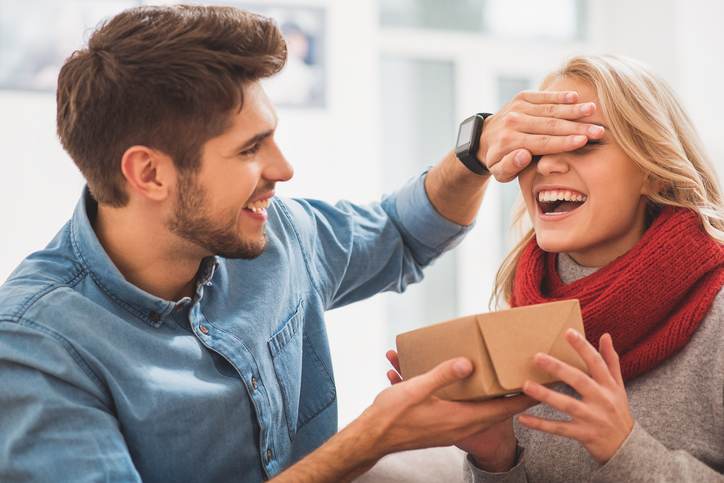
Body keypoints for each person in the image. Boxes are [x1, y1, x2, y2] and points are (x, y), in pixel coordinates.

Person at [0, 6, 605, 482]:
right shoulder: (37, 347)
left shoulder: (276, 236)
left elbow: (401, 235)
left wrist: (476, 152)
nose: (284, 169)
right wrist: (369, 441)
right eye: (249, 149)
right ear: (149, 174)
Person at [387, 54, 722, 482]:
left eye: (583, 143)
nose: (545, 165)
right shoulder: (522, 305)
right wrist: (497, 458)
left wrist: (625, 450)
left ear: (654, 172)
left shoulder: (718, 315)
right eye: (536, 146)